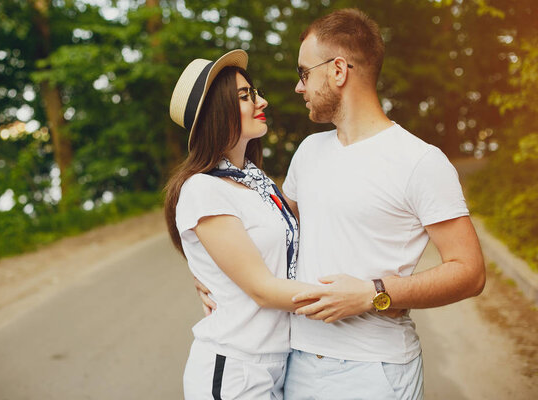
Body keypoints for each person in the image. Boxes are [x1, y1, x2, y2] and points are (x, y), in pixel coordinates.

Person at [276, 8, 486, 399]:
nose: (299, 87)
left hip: (374, 371)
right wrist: (217, 284)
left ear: (338, 70)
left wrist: (374, 293)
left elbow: (470, 272)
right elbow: (279, 236)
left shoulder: (420, 162)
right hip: (297, 361)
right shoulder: (308, 151)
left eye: (305, 73)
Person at [165, 50, 331, 399]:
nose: (262, 100)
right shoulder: (202, 189)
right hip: (235, 368)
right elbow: (263, 289)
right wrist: (359, 297)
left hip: (277, 362)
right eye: (246, 96)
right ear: (216, 111)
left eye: (253, 92)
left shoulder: (256, 181)